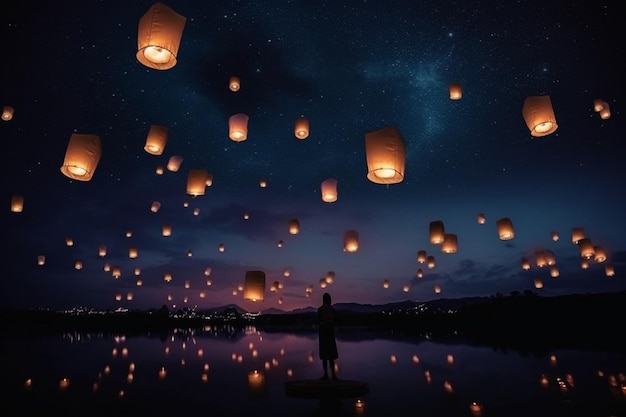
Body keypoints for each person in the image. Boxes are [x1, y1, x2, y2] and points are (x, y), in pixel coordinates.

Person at [317, 292, 339, 380]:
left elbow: (318, 321)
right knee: (331, 355)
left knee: (324, 355)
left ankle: (326, 375)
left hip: (323, 332)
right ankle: (333, 375)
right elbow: (335, 320)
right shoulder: (332, 309)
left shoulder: (320, 309)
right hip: (329, 332)